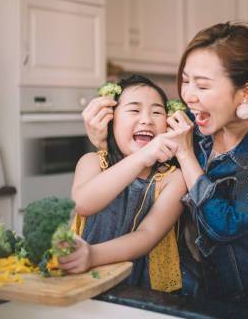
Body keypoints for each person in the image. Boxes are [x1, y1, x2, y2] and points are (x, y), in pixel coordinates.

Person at [82, 23, 248, 311]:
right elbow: (142, 170)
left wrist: (186, 155)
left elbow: (224, 226)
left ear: (244, 93)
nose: (188, 96)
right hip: (191, 281)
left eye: (203, 85)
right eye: (185, 81)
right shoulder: (195, 130)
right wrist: (103, 141)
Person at [59, 75, 189, 293]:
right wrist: (141, 158)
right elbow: (82, 203)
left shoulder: (174, 179)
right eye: (134, 110)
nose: (147, 119)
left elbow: (147, 235)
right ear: (112, 121)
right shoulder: (92, 162)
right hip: (84, 280)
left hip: (143, 288)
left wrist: (93, 256)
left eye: (157, 112)